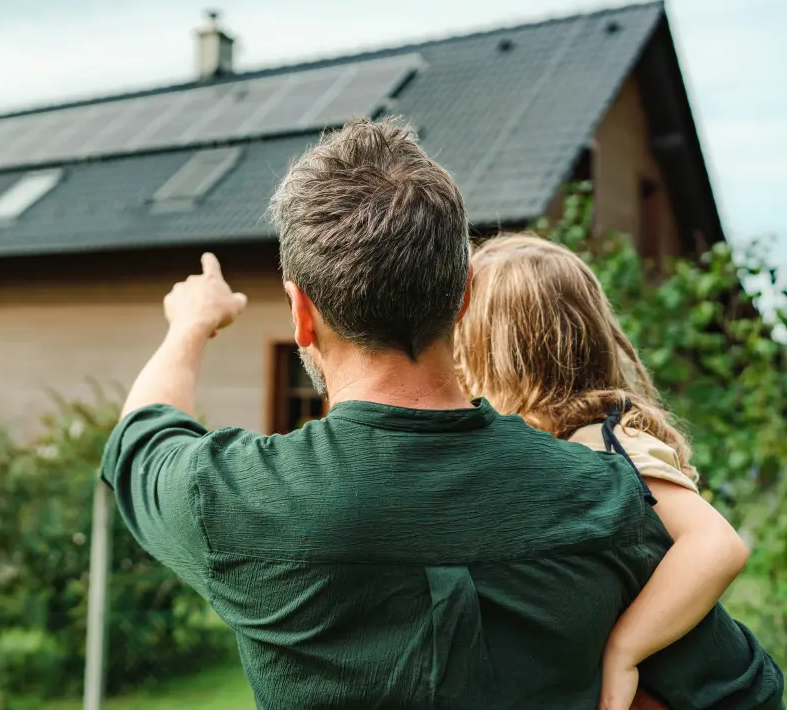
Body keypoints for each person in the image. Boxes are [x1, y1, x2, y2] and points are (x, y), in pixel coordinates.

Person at [100, 118, 783, 709]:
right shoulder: (602, 494)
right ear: (461, 298)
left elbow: (141, 435)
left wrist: (190, 325)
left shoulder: (231, 498)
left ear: (301, 313)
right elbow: (746, 692)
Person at [454, 233, 753, 710]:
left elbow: (717, 546)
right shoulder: (555, 447)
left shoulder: (611, 444)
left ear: (501, 358)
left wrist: (624, 651)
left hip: (718, 695)